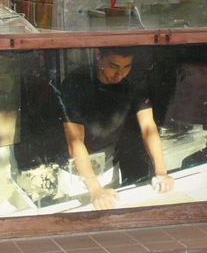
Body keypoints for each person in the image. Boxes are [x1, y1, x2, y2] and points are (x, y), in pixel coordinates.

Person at [59, 46, 174, 209]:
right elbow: (75, 142)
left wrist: (161, 172)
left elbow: (148, 127)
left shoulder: (134, 81)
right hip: (76, 174)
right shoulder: (77, 83)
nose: (120, 74)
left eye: (127, 66)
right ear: (98, 55)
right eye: (113, 66)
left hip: (109, 167)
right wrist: (95, 188)